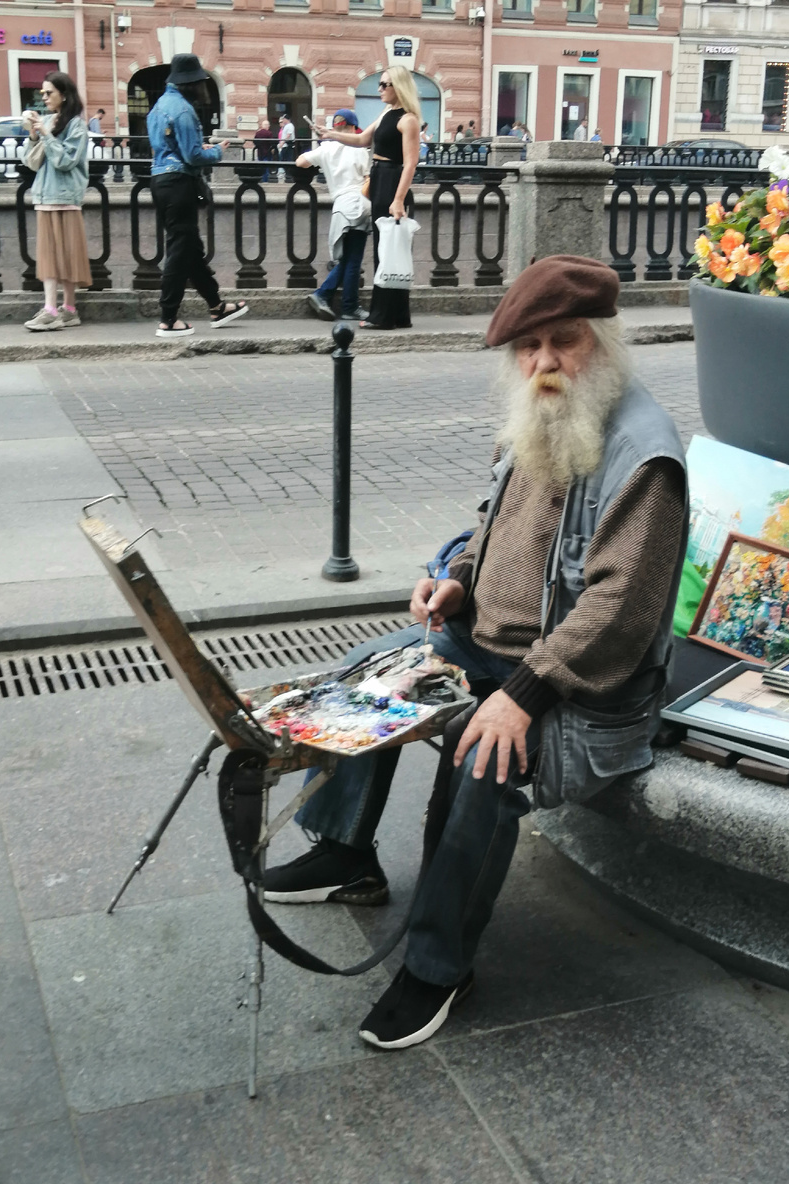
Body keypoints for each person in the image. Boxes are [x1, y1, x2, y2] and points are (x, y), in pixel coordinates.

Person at [263, 255, 688, 1050]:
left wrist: (522, 694)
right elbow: (493, 529)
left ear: (602, 340)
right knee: (367, 677)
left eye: (564, 342)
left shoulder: (644, 455)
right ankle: (346, 854)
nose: (545, 363)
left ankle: (439, 963)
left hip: (577, 689)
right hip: (485, 645)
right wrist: (454, 583)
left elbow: (619, 609)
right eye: (528, 348)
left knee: (484, 757)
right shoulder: (540, 410)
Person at [311, 65, 420, 330]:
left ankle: (383, 316)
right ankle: (396, 315)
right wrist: (329, 134)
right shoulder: (386, 113)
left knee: (388, 249)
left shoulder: (408, 120)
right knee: (386, 248)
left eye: (385, 85)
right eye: (380, 84)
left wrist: (398, 199)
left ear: (399, 87)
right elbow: (361, 140)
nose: (380, 89)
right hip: (380, 178)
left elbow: (410, 164)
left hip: (392, 181)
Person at [147, 53, 249, 338]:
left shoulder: (158, 107)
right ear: (190, 83)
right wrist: (216, 151)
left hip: (160, 181)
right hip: (180, 183)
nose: (202, 88)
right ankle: (168, 318)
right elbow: (192, 156)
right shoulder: (183, 110)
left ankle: (217, 307)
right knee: (180, 251)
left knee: (190, 249)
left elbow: (169, 147)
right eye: (199, 83)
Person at [21, 71, 92, 332]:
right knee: (50, 256)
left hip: (65, 197)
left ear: (64, 94)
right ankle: (56, 308)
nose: (44, 97)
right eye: (42, 92)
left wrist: (48, 135)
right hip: (46, 196)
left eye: (49, 92)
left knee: (66, 256)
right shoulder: (49, 120)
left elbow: (66, 161)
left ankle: (63, 309)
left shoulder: (76, 125)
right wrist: (34, 135)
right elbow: (31, 162)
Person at [297, 109, 371, 322]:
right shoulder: (360, 149)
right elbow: (368, 179)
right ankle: (347, 306)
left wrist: (324, 150)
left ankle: (325, 295)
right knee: (353, 260)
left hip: (340, 207)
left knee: (347, 259)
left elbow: (300, 162)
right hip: (358, 205)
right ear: (353, 128)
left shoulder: (326, 149)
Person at [254, 117, 276, 183]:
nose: (269, 126)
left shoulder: (258, 133)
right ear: (266, 126)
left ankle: (260, 180)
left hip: (260, 152)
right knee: (266, 167)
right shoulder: (269, 133)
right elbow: (272, 143)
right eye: (268, 125)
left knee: (260, 167)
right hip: (267, 153)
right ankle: (265, 180)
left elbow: (255, 142)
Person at [277, 112, 295, 181]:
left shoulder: (290, 125)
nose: (283, 120)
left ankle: (288, 175)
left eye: (283, 119)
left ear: (286, 119)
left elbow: (288, 135)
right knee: (283, 159)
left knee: (287, 159)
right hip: (285, 145)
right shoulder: (286, 126)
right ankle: (286, 174)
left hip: (288, 145)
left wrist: (282, 142)